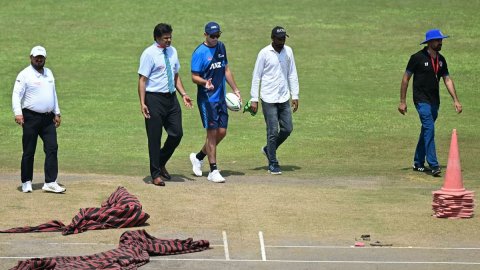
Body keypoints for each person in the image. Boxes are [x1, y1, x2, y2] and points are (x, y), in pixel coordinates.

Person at [398, 29, 462, 177]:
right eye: (438, 40)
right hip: (421, 100)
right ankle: (433, 165)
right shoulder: (416, 58)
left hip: (435, 102)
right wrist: (402, 101)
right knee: (429, 128)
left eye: (441, 40)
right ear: (429, 42)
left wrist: (456, 100)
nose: (441, 42)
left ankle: (418, 162)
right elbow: (405, 79)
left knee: (427, 130)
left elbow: (447, 79)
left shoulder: (441, 60)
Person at [138, 23, 193, 186]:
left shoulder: (173, 51)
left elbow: (175, 75)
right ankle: (155, 174)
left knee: (177, 133)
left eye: (170, 37)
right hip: (153, 99)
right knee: (154, 138)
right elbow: (142, 80)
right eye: (165, 38)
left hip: (171, 98)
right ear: (157, 38)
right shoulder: (149, 54)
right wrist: (142, 103)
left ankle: (160, 161)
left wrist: (183, 94)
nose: (169, 40)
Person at [189, 22, 242, 183]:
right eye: (212, 36)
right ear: (205, 35)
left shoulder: (221, 47)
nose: (215, 39)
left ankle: (198, 157)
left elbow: (226, 69)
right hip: (207, 100)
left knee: (222, 132)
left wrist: (236, 89)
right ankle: (213, 170)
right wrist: (205, 82)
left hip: (221, 98)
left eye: (217, 35)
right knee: (211, 134)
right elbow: (194, 77)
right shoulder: (199, 53)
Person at [12, 45, 66, 193]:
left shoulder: (49, 73)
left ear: (45, 58)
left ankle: (50, 182)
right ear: (31, 58)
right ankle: (26, 181)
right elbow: (16, 95)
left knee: (52, 148)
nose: (39, 59)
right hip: (30, 117)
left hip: (48, 118)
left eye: (41, 57)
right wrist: (18, 113)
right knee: (29, 150)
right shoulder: (24, 75)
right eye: (36, 57)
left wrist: (57, 113)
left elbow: (53, 94)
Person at [249, 26, 299, 175]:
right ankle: (273, 162)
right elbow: (256, 76)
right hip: (268, 97)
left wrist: (295, 95)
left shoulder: (288, 51)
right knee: (272, 131)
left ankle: (268, 150)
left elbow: (292, 73)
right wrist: (254, 98)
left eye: (283, 38)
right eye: (279, 39)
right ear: (272, 38)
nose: (281, 41)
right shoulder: (264, 53)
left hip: (283, 96)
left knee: (287, 129)